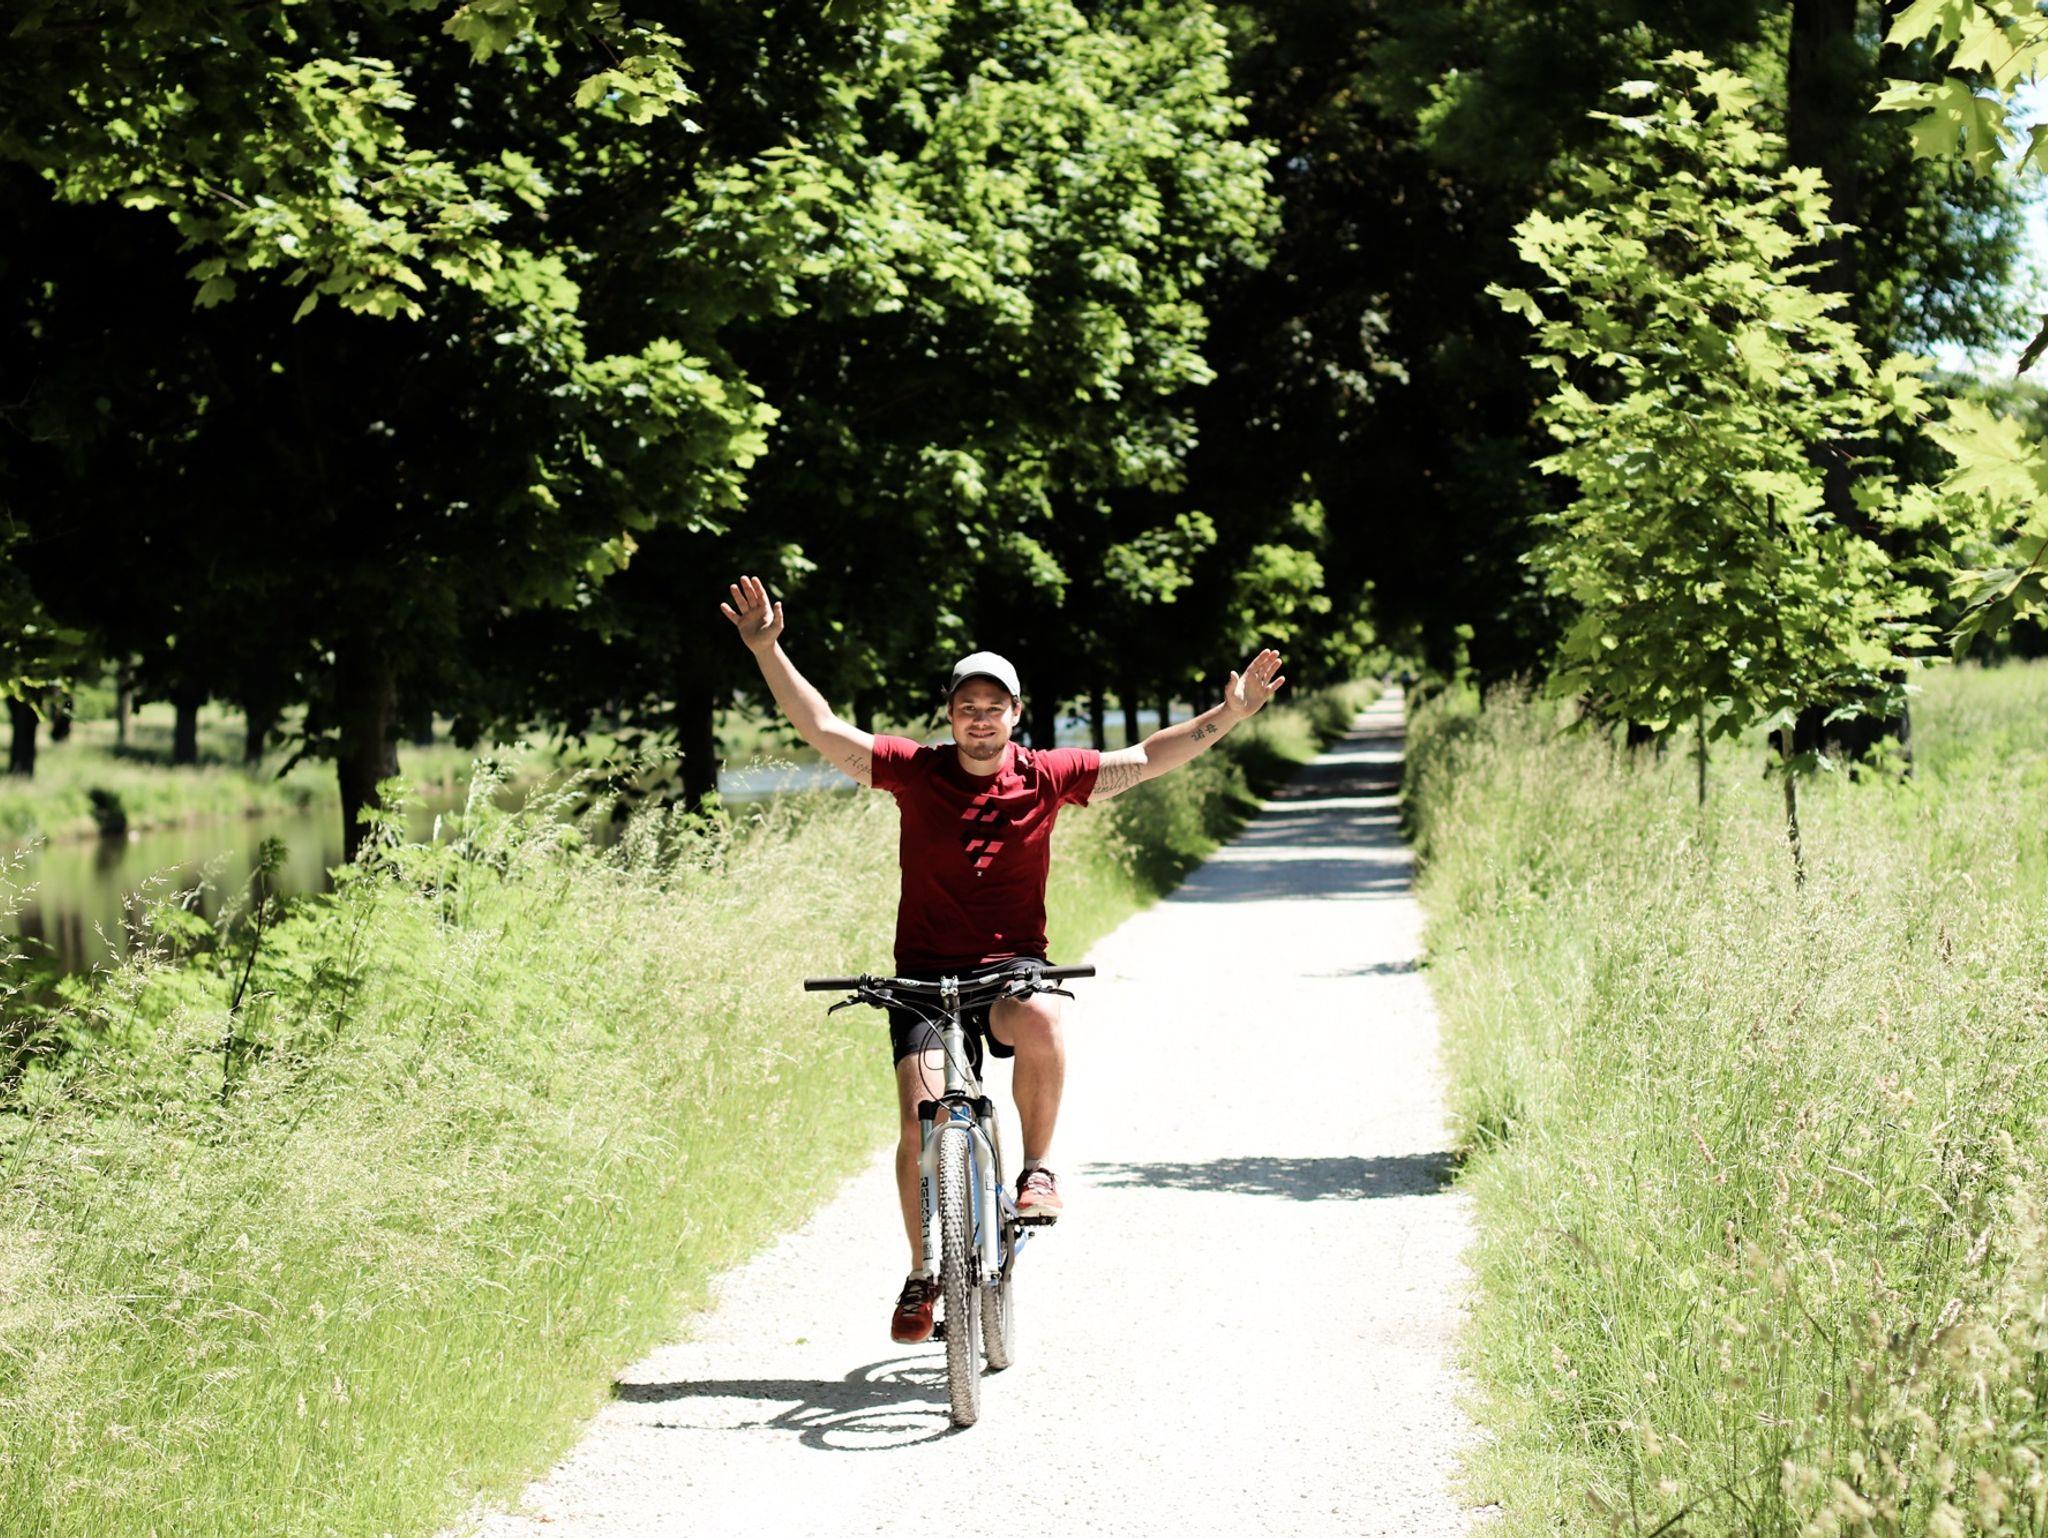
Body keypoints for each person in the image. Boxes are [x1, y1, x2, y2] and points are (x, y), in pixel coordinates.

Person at [720, 574, 1285, 1342]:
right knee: (919, 1124)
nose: (980, 718)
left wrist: (1231, 714)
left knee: (1045, 1017)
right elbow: (821, 728)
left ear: (1016, 714)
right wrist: (767, 649)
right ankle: (922, 1273)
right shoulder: (916, 770)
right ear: (949, 714)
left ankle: (1036, 1168)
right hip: (923, 980)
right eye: (967, 706)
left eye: (994, 706)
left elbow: (1148, 756)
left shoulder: (1048, 776)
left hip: (1010, 973)